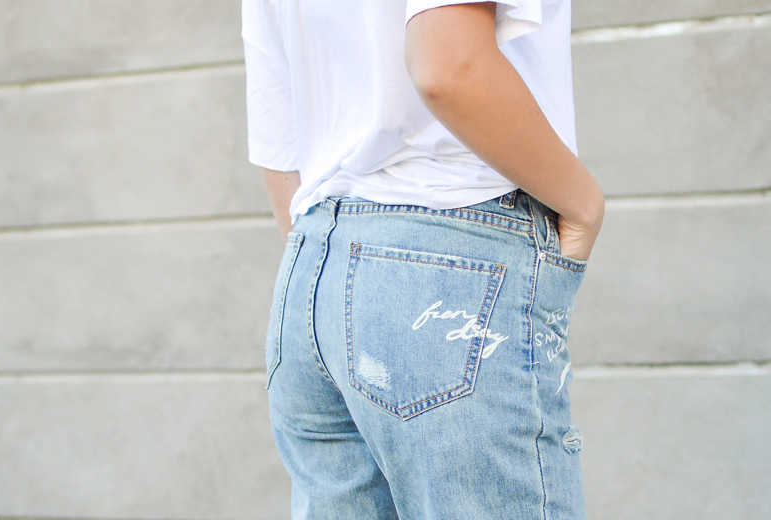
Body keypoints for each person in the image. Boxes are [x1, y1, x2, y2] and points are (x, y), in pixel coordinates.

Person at [243, 0, 603, 518]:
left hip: (312, 269)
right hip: (452, 240)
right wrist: (585, 204)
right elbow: (448, 67)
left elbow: (278, 134)